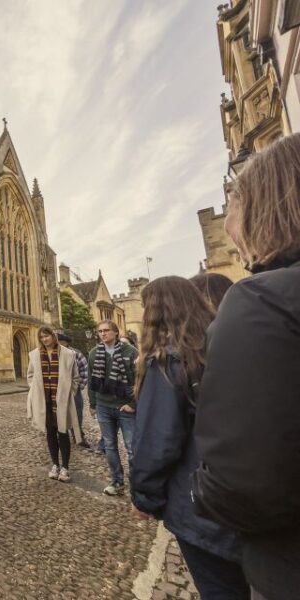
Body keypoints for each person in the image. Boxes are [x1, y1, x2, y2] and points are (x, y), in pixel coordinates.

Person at [192, 134, 300, 600]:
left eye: (233, 203)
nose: (231, 227)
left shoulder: (261, 300)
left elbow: (241, 483)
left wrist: (198, 492)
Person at [130, 276, 248, 599]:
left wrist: (144, 499)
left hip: (200, 505)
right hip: (241, 499)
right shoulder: (225, 347)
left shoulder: (167, 361)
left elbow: (158, 442)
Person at [88, 319, 138, 496]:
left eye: (107, 330)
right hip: (104, 406)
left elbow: (139, 381)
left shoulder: (131, 352)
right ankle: (117, 482)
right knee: (109, 446)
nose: (103, 334)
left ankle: (137, 486)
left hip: (125, 407)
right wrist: (93, 404)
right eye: (100, 331)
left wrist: (133, 404)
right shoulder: (94, 353)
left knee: (132, 448)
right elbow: (91, 382)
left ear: (116, 332)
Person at [27, 327, 82, 482]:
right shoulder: (35, 355)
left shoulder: (68, 354)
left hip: (62, 401)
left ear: (53, 336)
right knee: (50, 433)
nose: (45, 339)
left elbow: (75, 378)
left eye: (47, 336)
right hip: (45, 400)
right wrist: (34, 389)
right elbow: (30, 375)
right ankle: (55, 464)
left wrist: (69, 393)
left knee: (63, 433)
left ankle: (65, 467)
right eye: (42, 337)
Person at [57, 333, 90, 448]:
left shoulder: (76, 354)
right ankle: (61, 435)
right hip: (57, 391)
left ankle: (78, 435)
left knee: (77, 413)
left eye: (59, 341)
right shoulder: (52, 353)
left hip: (73, 390)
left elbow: (85, 372)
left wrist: (77, 388)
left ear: (66, 342)